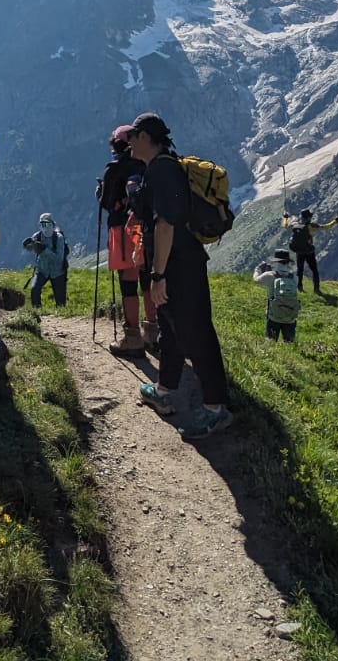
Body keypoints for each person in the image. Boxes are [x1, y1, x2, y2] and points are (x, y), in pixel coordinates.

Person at [125, 112, 232, 440]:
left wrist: (158, 275)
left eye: (133, 135)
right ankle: (164, 388)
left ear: (146, 137)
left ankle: (216, 409)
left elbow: (167, 224)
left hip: (179, 266)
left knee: (196, 332)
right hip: (177, 264)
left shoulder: (163, 169)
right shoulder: (160, 168)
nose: (128, 141)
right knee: (173, 330)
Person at [100, 124, 156, 356]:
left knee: (128, 282)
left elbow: (106, 203)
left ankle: (132, 338)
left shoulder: (114, 169)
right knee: (147, 279)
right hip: (146, 228)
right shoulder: (148, 163)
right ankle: (153, 333)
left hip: (122, 230)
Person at [282, 207, 338, 294]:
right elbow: (326, 227)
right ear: (308, 217)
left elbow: (285, 226)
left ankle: (299, 288)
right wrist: (335, 221)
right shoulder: (311, 226)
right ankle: (316, 289)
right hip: (309, 252)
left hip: (299, 251)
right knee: (314, 270)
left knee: (299, 270)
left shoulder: (294, 224)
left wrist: (285, 218)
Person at [23, 212, 70, 308]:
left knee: (60, 303)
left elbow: (59, 258)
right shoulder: (37, 236)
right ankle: (37, 313)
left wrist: (44, 250)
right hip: (42, 270)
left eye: (47, 224)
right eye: (42, 224)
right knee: (34, 290)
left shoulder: (59, 238)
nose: (45, 227)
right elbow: (30, 248)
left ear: (52, 224)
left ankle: (61, 317)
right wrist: (27, 245)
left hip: (58, 272)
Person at [254, 249, 301, 342]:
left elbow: (256, 279)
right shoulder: (295, 278)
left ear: (276, 262)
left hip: (273, 315)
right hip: (290, 317)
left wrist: (258, 270)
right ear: (288, 263)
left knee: (270, 344)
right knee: (289, 344)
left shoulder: (269, 275)